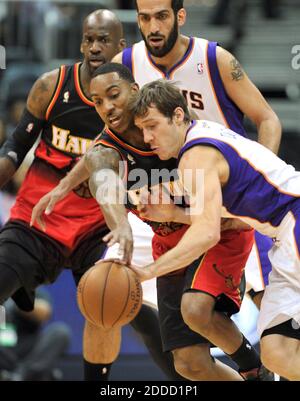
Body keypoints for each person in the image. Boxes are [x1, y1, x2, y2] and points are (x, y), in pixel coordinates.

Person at [32, 63, 272, 381]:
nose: (106, 107)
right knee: (189, 363)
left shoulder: (183, 135)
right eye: (97, 101)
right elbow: (101, 178)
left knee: (220, 309)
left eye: (113, 95)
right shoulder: (105, 150)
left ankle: (257, 365)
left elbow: (225, 209)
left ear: (134, 91)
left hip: (221, 227)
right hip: (166, 240)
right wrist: (115, 223)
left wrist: (177, 213)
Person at [0, 10, 181, 382]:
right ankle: (24, 283)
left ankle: (185, 377)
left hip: (101, 229)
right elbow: (13, 151)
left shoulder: (138, 101)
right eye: (89, 39)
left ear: (120, 47)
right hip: (40, 220)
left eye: (104, 40)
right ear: (81, 42)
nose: (95, 47)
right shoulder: (52, 86)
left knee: (118, 309)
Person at [112, 0, 281, 310]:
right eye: (145, 18)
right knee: (111, 289)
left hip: (226, 199)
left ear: (180, 16)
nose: (153, 27)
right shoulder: (124, 66)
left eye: (161, 17)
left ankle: (262, 357)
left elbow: (267, 119)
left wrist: (261, 183)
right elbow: (111, 137)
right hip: (164, 204)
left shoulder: (213, 59)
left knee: (272, 307)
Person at [132, 79, 300, 381]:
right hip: (282, 235)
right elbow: (226, 219)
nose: (147, 137)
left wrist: (145, 272)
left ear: (179, 116)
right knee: (276, 351)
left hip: (296, 218)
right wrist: (173, 211)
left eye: (152, 126)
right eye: (142, 129)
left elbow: (208, 233)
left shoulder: (195, 155)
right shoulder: (202, 140)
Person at [0, 287, 70, 381]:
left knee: (60, 332)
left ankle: (21, 375)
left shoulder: (32, 290)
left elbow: (44, 312)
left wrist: (20, 303)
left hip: (30, 348)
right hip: (4, 350)